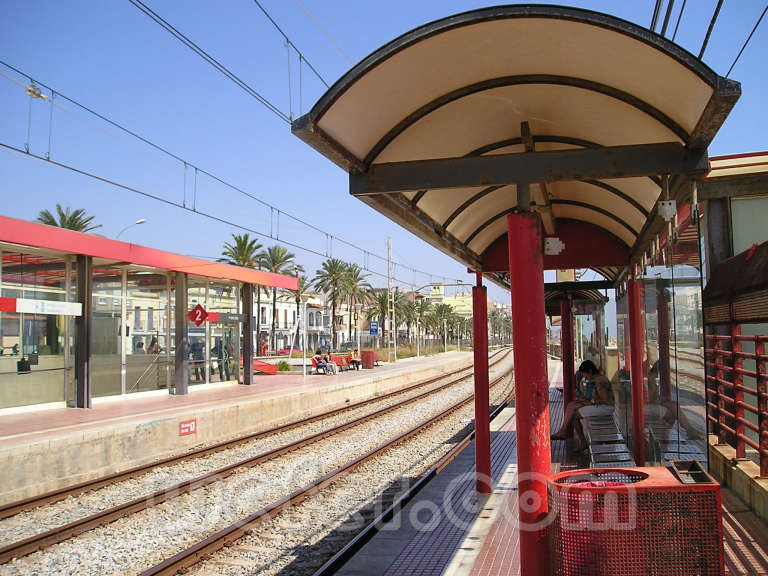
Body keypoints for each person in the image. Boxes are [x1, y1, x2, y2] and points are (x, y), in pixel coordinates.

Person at [551, 360, 613, 440]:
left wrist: (589, 402)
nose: (585, 377)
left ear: (590, 371)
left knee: (573, 415)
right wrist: (585, 401)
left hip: (606, 407)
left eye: (585, 374)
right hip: (601, 405)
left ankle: (574, 437)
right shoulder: (598, 379)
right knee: (571, 405)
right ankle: (564, 431)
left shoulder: (600, 380)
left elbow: (604, 399)